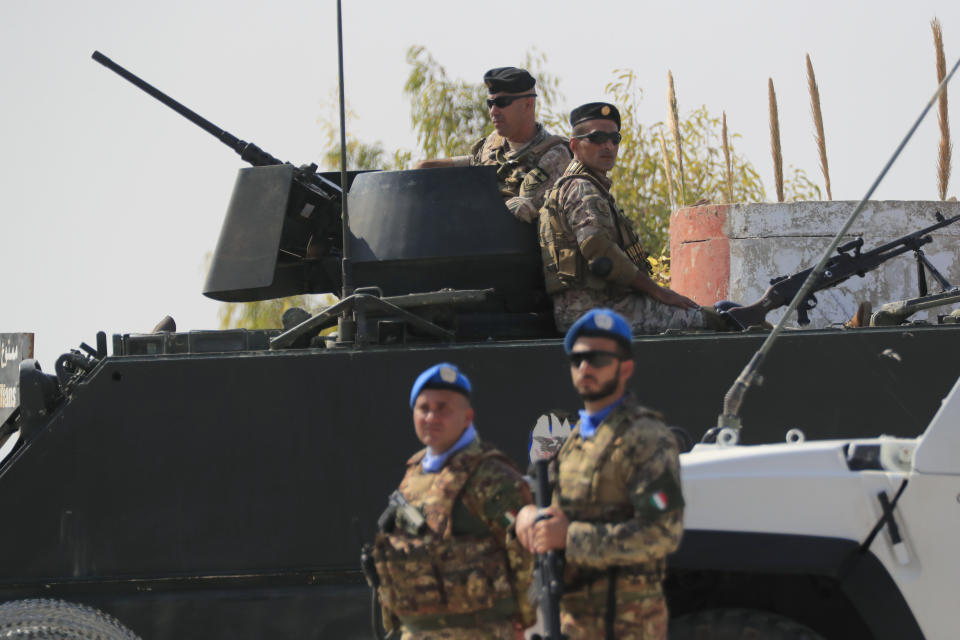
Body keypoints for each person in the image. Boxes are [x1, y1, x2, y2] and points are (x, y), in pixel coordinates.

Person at [516, 308, 685, 640]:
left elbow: (663, 532)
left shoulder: (647, 438)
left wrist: (570, 537)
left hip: (628, 625)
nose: (585, 368)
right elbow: (554, 517)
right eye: (577, 359)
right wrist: (526, 517)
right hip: (572, 621)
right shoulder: (570, 442)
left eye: (598, 359)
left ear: (625, 369)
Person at [371, 363, 535, 639]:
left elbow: (523, 548)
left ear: (467, 417)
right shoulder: (414, 472)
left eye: (443, 408)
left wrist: (522, 618)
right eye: (424, 408)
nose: (431, 417)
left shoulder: (490, 474)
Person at [539, 102, 730, 333]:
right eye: (597, 138)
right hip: (596, 310)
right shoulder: (582, 189)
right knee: (721, 321)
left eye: (614, 139)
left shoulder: (578, 187)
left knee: (719, 311)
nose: (608, 146)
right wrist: (658, 291)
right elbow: (601, 255)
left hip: (590, 309)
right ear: (575, 145)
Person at [416, 67, 571, 223]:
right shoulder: (493, 144)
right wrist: (425, 168)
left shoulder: (555, 156)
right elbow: (476, 164)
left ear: (528, 104)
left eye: (502, 103)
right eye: (490, 103)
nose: (493, 111)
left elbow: (521, 210)